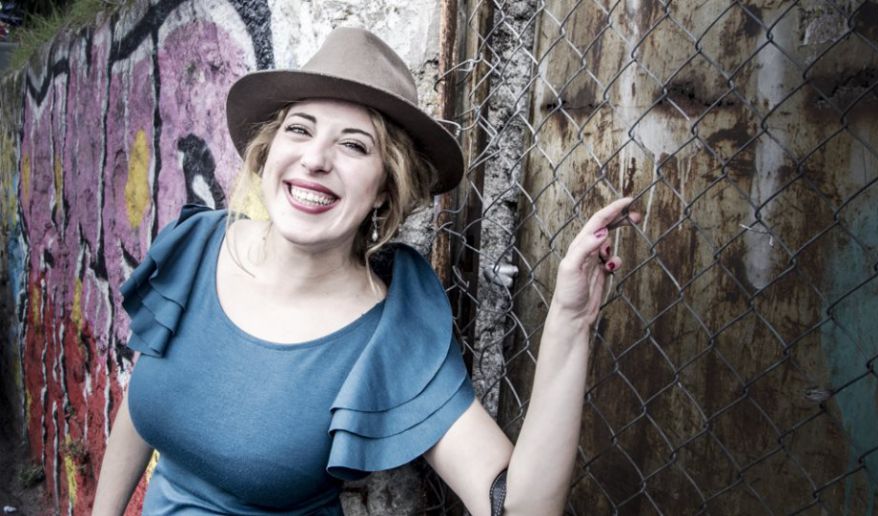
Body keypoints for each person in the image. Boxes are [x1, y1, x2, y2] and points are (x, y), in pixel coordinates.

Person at [92, 27, 640, 516]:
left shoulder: (389, 332)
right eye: (300, 129)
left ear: (385, 186)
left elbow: (517, 508)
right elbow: (141, 408)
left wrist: (570, 323)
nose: (315, 159)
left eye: (353, 145)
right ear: (269, 149)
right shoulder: (195, 246)